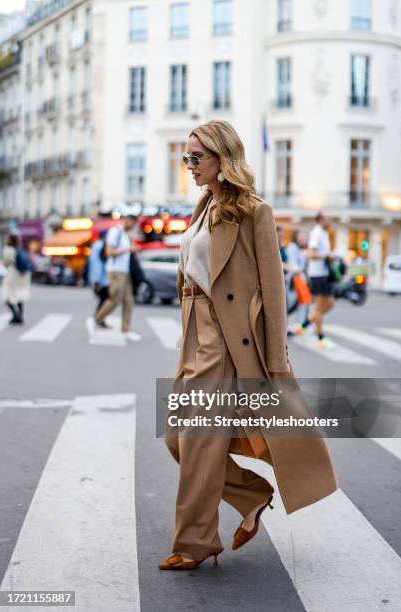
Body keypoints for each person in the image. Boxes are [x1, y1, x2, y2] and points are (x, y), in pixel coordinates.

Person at [160, 120, 338, 571]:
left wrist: (275, 359)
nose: (190, 166)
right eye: (187, 158)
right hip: (194, 331)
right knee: (179, 439)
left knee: (197, 439)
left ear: (224, 158)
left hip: (225, 337)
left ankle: (192, 544)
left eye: (197, 157)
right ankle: (252, 495)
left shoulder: (253, 211)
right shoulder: (202, 207)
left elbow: (273, 289)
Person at [94, 214, 142, 341]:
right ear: (127, 221)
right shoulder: (116, 232)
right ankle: (98, 318)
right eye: (132, 223)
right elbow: (109, 252)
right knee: (115, 298)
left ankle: (126, 329)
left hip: (125, 272)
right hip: (115, 272)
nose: (133, 226)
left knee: (129, 301)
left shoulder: (126, 235)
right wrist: (128, 249)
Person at [298, 212, 336, 349]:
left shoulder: (324, 234)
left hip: (324, 274)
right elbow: (310, 254)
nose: (331, 220)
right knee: (319, 307)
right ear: (321, 220)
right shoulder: (317, 233)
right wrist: (326, 257)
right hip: (317, 274)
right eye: (328, 218)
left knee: (330, 304)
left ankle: (304, 325)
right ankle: (321, 339)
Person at [1, 233, 31, 325]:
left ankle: (15, 315)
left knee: (7, 295)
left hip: (12, 274)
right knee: (19, 295)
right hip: (23, 275)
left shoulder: (8, 249)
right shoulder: (20, 248)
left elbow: (5, 263)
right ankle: (20, 316)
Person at [286, 230, 310, 330]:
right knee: (295, 303)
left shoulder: (299, 249)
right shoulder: (292, 247)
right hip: (295, 278)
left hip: (299, 278)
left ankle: (301, 324)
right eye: (301, 235)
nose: (303, 238)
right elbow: (294, 265)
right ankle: (298, 325)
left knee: (302, 302)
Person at [88, 229, 109, 314]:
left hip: (99, 277)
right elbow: (97, 264)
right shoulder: (100, 246)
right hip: (102, 278)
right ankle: (99, 317)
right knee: (105, 298)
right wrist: (97, 280)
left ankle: (99, 317)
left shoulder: (95, 245)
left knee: (104, 298)